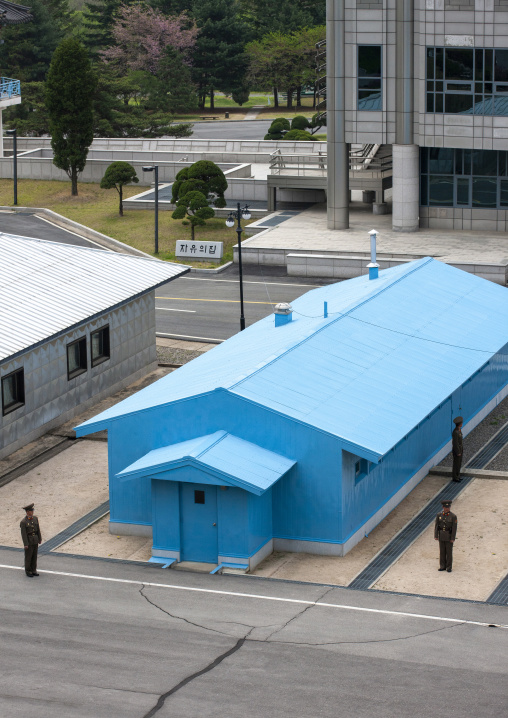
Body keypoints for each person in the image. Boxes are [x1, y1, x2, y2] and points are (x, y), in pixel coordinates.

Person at [434, 499, 457, 572]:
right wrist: (436, 535)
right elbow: (437, 525)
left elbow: (454, 528)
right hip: (441, 535)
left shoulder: (453, 516)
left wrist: (452, 537)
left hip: (449, 535)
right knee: (442, 551)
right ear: (443, 507)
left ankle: (449, 567)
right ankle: (442, 566)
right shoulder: (439, 515)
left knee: (449, 552)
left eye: (448, 507)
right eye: (446, 507)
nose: (447, 509)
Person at [20, 503, 42, 577]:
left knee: (34, 556)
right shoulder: (23, 522)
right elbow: (23, 534)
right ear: (27, 512)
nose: (32, 512)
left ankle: (33, 570)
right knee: (28, 557)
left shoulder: (35, 518)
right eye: (31, 511)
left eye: (32, 510)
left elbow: (38, 529)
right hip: (29, 540)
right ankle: (28, 571)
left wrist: (39, 538)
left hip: (35, 539)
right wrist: (25, 544)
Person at [452, 416, 463, 482]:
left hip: (460, 449)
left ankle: (458, 475)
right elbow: (455, 443)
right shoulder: (455, 432)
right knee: (456, 464)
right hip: (457, 450)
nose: (462, 424)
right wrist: (458, 452)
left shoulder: (459, 430)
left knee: (459, 463)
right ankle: (455, 477)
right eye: (461, 423)